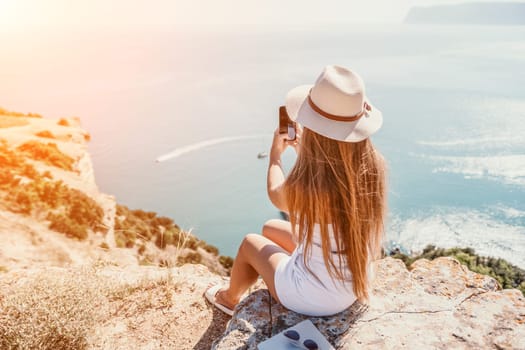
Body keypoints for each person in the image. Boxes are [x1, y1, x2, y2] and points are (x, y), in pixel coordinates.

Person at [205, 65, 387, 317]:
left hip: (315, 296)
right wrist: (303, 152)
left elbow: (276, 194)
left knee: (250, 243)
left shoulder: (311, 185)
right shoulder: (372, 165)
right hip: (353, 280)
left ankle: (229, 299)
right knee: (270, 227)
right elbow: (333, 173)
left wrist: (275, 156)